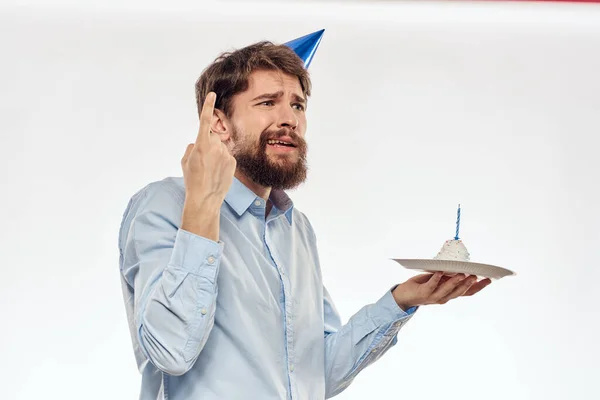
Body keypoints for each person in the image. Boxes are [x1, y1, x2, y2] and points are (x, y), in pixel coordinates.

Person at [117, 35, 491, 400]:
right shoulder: (165, 204)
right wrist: (202, 206)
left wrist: (402, 301)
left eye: (298, 106)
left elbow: (314, 375)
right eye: (267, 102)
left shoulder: (295, 230)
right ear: (218, 123)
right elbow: (170, 352)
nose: (289, 119)